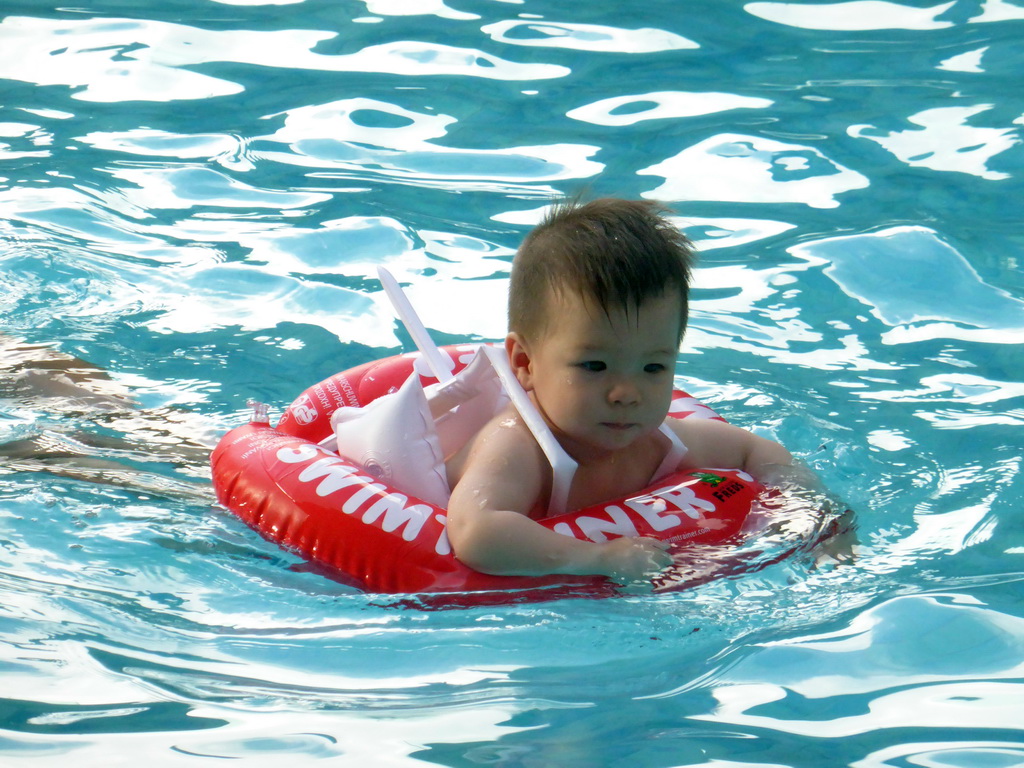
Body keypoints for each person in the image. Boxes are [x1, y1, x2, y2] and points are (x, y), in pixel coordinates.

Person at [444, 198, 795, 582]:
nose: (627, 393)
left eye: (653, 367)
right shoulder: (519, 447)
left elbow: (755, 449)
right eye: (594, 366)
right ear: (526, 364)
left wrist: (806, 514)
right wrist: (598, 559)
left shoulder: (657, 442)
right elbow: (476, 533)